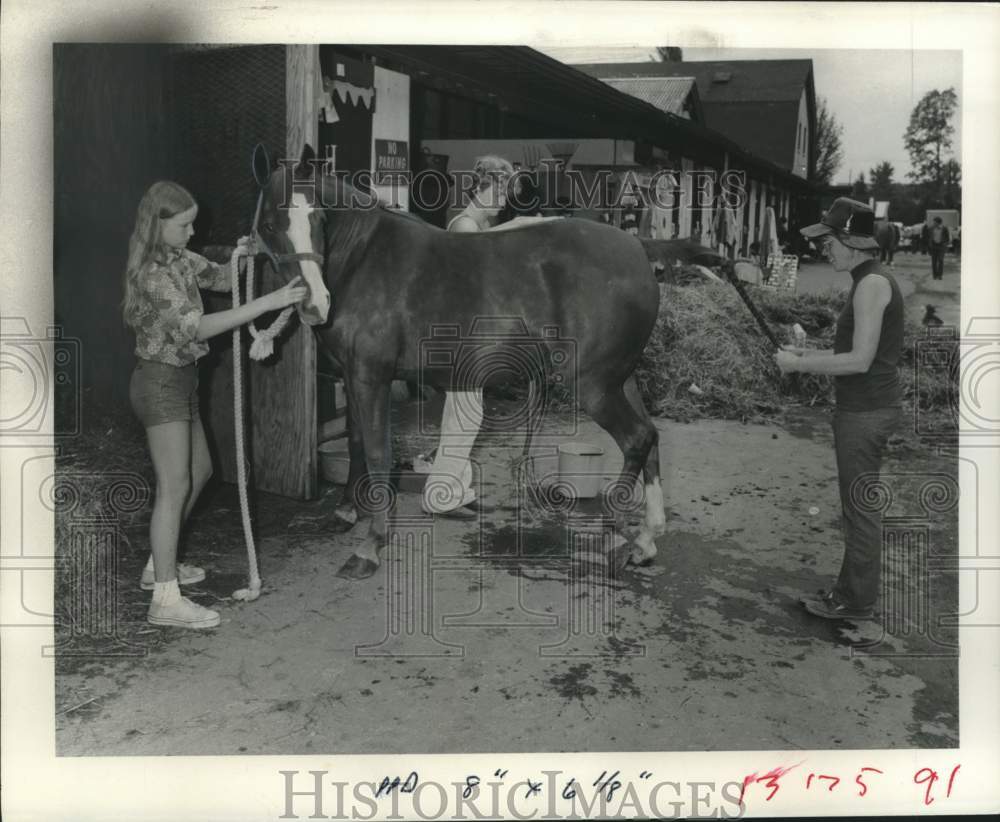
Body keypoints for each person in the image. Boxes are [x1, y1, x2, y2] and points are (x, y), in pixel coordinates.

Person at [123, 181, 307, 628]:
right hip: (160, 384)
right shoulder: (153, 273)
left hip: (183, 382)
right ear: (158, 224)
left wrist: (247, 252)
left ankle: (157, 567)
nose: (192, 232)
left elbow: (224, 277)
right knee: (174, 487)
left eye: (193, 224)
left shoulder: (183, 259)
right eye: (184, 225)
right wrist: (269, 302)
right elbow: (197, 328)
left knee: (200, 472)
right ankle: (165, 601)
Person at [775, 197, 904, 620]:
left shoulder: (871, 284)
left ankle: (856, 604)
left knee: (860, 511)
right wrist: (807, 350)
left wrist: (799, 363)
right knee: (857, 508)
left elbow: (860, 360)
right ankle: (849, 594)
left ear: (853, 241)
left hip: (865, 413)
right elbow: (855, 352)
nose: (822, 249)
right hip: (863, 408)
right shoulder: (868, 279)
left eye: (828, 241)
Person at [421, 155, 517, 517]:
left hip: (468, 331)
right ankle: (440, 497)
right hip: (457, 334)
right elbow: (479, 283)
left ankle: (456, 490)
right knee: (462, 415)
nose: (506, 201)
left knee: (467, 415)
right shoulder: (463, 226)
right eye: (503, 192)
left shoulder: (474, 226)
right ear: (485, 188)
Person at [927, 216, 951, 280]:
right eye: (933, 222)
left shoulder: (944, 228)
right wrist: (929, 246)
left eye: (935, 222)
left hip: (941, 246)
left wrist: (945, 245)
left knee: (940, 260)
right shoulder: (931, 228)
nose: (933, 223)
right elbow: (929, 238)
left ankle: (940, 275)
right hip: (934, 246)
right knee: (934, 262)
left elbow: (947, 238)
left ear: (938, 223)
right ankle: (935, 275)